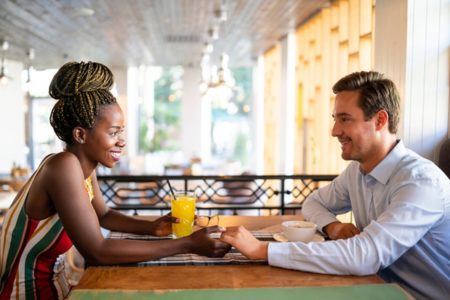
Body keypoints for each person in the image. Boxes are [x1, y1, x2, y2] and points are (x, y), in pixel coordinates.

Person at [0, 61, 230, 299]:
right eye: (113, 133)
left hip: (58, 287)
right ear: (80, 134)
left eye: (121, 131)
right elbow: (97, 251)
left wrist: (151, 227)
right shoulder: (63, 166)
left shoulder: (81, 168)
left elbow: (103, 215)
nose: (122, 141)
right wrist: (187, 244)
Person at [220, 71, 450, 300]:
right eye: (335, 119)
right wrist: (333, 227)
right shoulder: (357, 172)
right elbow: (314, 202)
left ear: (380, 120)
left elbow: (365, 256)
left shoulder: (420, 182)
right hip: (377, 289)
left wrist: (262, 250)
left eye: (345, 119)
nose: (334, 131)